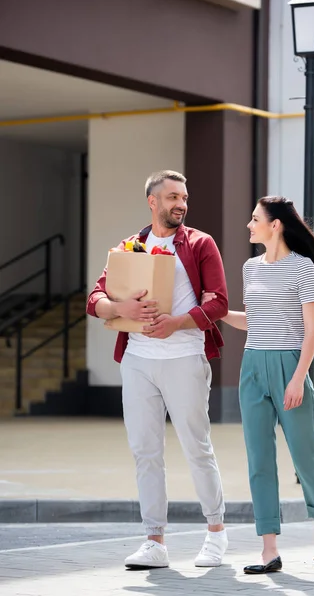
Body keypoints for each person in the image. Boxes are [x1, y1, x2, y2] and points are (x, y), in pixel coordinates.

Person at [86, 170, 229, 569]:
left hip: (184, 357)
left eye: (183, 197)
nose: (180, 203)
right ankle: (155, 542)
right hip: (137, 360)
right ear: (153, 202)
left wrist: (177, 323)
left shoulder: (201, 244)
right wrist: (120, 309)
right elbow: (95, 297)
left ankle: (216, 533)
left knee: (196, 448)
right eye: (172, 197)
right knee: (145, 452)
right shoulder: (130, 247)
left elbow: (218, 302)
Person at [203, 195, 314, 574]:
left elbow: (311, 332)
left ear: (275, 224)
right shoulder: (250, 268)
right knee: (259, 460)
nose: (249, 225)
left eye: (254, 219)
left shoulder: (303, 269)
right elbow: (256, 321)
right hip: (253, 367)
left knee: (306, 457)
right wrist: (216, 312)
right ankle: (269, 549)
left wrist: (298, 379)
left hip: (289, 366)